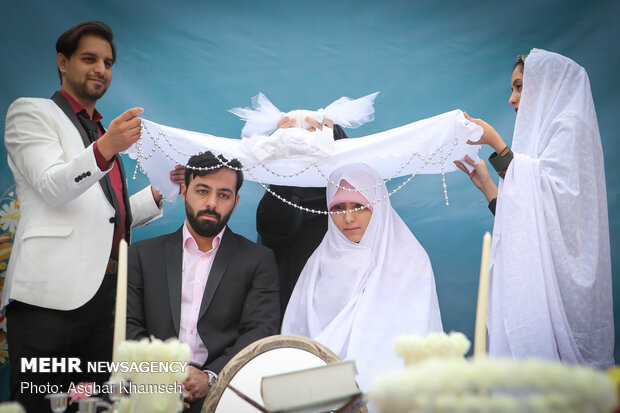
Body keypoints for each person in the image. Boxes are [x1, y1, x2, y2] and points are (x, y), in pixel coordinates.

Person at [1, 21, 180, 412]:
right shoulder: (31, 113)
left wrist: (159, 190)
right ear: (62, 63)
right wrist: (107, 148)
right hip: (48, 304)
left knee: (96, 405)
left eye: (108, 62)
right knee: (40, 404)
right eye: (89, 58)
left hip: (105, 304)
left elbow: (109, 214)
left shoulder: (102, 132)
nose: (101, 68)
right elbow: (52, 186)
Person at [455, 49, 614, 367]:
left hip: (566, 296)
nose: (512, 99)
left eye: (520, 86)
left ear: (548, 85)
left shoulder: (571, 128)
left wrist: (496, 144)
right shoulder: (545, 136)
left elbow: (559, 217)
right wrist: (488, 186)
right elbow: (531, 225)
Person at [126, 151, 280, 412]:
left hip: (225, 394)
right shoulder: (142, 255)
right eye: (202, 191)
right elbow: (128, 325)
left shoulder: (258, 260)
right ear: (184, 192)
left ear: (236, 201)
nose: (212, 203)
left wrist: (211, 377)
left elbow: (260, 332)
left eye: (223, 195)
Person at [281, 162, 443, 392]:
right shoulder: (319, 263)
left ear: (378, 205)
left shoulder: (409, 262)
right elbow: (297, 336)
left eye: (359, 206)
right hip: (318, 392)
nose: (348, 218)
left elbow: (413, 341)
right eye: (338, 208)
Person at [256, 115, 348, 319]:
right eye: (302, 142)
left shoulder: (352, 199)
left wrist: (334, 143)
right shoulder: (283, 194)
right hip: (292, 299)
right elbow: (273, 227)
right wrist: (282, 153)